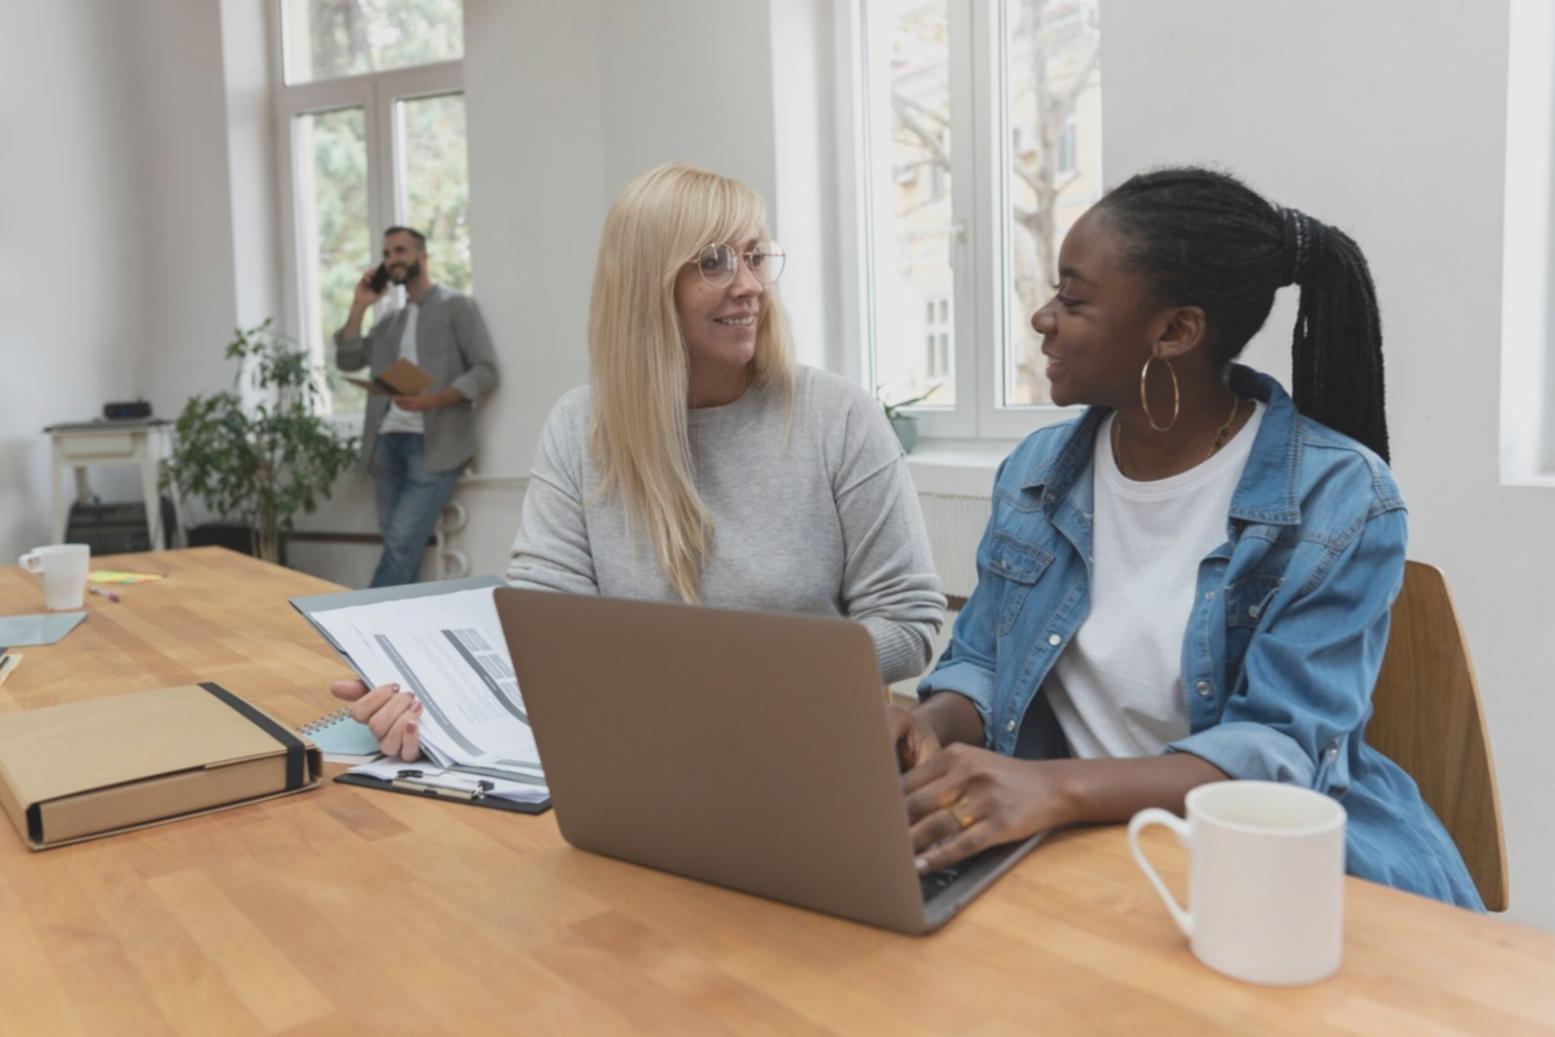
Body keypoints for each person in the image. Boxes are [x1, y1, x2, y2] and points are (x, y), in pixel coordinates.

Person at [892, 166, 1481, 909]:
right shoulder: (1036, 472)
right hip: (1079, 859)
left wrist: (1053, 785)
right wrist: (924, 727)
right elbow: (982, 658)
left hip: (1268, 873)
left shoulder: (1340, 499)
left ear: (1174, 330)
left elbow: (1275, 752)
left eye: (1072, 300)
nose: (1042, 317)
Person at [333, 163, 946, 760]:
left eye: (755, 256)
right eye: (714, 261)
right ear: (647, 285)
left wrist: (734, 672)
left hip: (803, 750)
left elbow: (909, 621)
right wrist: (426, 696)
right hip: (639, 752)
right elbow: (549, 619)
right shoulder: (580, 426)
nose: (751, 285)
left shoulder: (838, 416)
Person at [334, 226, 500, 588]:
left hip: (436, 447)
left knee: (401, 544)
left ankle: (363, 621)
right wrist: (360, 305)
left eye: (400, 251)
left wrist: (435, 399)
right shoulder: (388, 324)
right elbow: (347, 360)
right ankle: (400, 638)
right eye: (387, 253)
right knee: (400, 549)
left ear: (422, 256)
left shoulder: (457, 306)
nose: (393, 259)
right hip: (387, 443)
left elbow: (486, 371)